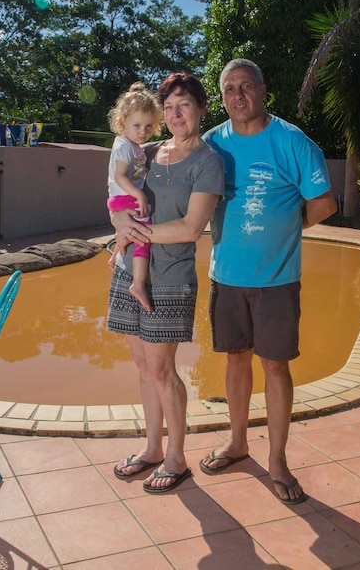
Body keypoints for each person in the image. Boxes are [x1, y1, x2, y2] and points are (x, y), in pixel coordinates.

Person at [199, 58, 337, 505]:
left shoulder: (292, 141)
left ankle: (277, 459)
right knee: (235, 360)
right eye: (229, 89)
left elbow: (323, 203)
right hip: (226, 277)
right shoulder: (210, 144)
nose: (238, 96)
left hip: (277, 281)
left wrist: (287, 225)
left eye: (246, 86)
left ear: (262, 90)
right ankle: (238, 442)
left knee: (275, 366)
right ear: (221, 97)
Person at [108, 73, 224, 493]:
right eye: (170, 107)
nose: (176, 114)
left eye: (185, 105)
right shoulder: (149, 152)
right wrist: (118, 222)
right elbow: (120, 199)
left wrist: (134, 231)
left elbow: (192, 228)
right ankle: (152, 447)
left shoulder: (208, 161)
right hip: (129, 271)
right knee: (142, 366)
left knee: (162, 369)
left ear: (201, 109)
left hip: (170, 279)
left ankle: (177, 456)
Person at [106, 83, 163, 312]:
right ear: (123, 123)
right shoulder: (124, 147)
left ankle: (115, 254)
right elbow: (120, 176)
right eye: (137, 125)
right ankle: (138, 284)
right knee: (143, 234)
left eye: (148, 126)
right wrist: (139, 194)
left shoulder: (136, 147)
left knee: (132, 228)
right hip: (124, 197)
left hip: (123, 198)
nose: (143, 131)